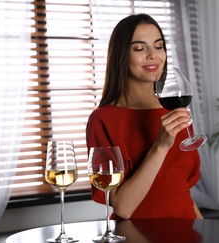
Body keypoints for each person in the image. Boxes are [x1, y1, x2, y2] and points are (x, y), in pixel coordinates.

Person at [86, 13, 203, 219]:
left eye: (159, 47)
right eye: (140, 49)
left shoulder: (173, 112)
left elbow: (181, 192)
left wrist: (206, 236)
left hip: (187, 234)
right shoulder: (103, 120)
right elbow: (123, 207)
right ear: (121, 56)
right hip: (137, 239)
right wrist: (161, 146)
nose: (153, 55)